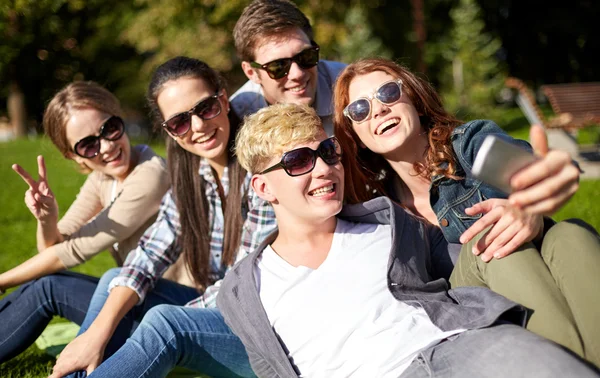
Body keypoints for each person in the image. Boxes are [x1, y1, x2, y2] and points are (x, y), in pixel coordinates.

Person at [217, 102, 598, 378]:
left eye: (328, 152)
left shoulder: (390, 224)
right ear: (264, 187)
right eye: (299, 161)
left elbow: (475, 259)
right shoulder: (245, 291)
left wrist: (531, 192)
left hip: (455, 350)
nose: (323, 169)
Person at [332, 57, 600, 365]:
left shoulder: (468, 144)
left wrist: (529, 197)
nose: (378, 109)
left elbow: (521, 169)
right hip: (469, 308)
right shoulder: (376, 210)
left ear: (416, 101)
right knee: (489, 243)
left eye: (388, 93)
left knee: (571, 234)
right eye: (360, 109)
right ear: (355, 135)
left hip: (535, 263)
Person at [49, 56, 276, 378]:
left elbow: (243, 288)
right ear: (169, 131)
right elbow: (148, 255)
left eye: (205, 108)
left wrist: (147, 330)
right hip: (220, 310)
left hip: (267, 334)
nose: (197, 127)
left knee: (164, 323)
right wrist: (96, 334)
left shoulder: (264, 171)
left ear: (224, 101)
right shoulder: (193, 176)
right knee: (115, 283)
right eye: (180, 122)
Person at [0, 81, 170, 362]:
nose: (106, 147)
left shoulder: (151, 174)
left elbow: (69, 254)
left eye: (110, 128)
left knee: (48, 288)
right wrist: (48, 219)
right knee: (48, 282)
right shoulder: (102, 178)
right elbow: (53, 251)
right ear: (73, 154)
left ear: (119, 118)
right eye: (89, 145)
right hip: (136, 297)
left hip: (170, 309)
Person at [230, 0, 346, 136]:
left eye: (306, 56)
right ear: (251, 73)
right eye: (278, 66)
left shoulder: (349, 87)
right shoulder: (236, 121)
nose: (297, 74)